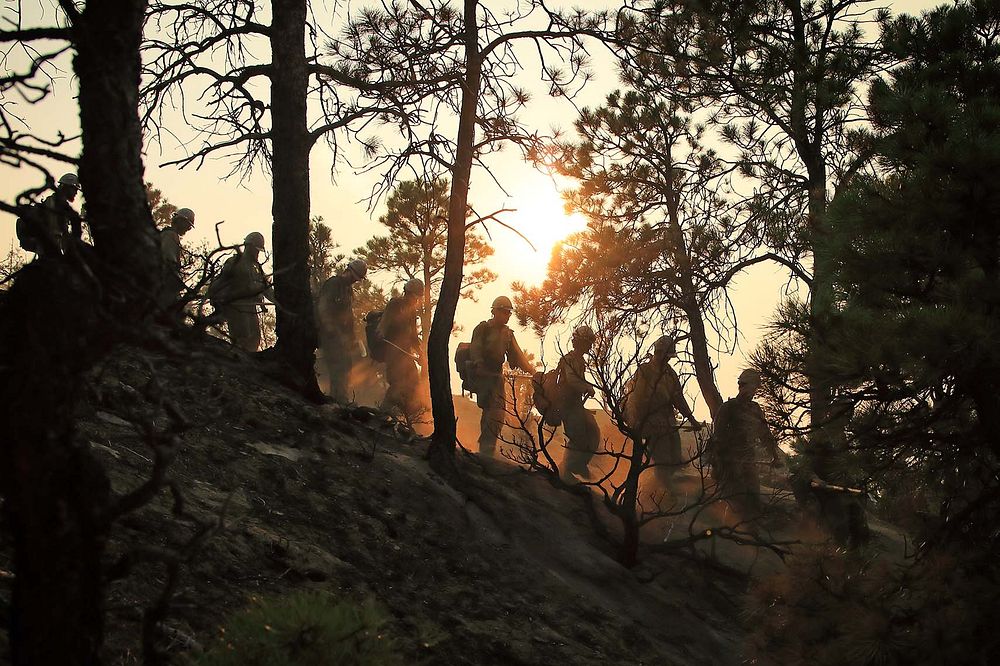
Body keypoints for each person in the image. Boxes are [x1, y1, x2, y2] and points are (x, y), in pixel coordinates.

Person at [624, 335, 703, 487]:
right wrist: (638, 422)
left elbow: (678, 398)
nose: (667, 360)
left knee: (675, 458)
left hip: (667, 422)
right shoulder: (644, 371)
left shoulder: (670, 374)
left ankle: (660, 487)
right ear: (658, 353)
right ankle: (658, 490)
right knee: (662, 460)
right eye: (666, 356)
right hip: (650, 422)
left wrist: (692, 419)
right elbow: (637, 398)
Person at [709, 368, 782, 514]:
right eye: (753, 387)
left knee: (753, 501)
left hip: (749, 461)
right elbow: (717, 437)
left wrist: (774, 455)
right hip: (730, 463)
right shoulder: (728, 408)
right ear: (743, 385)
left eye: (756, 388)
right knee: (735, 501)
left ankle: (750, 531)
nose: (754, 391)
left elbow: (765, 434)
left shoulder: (755, 409)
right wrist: (720, 463)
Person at [469, 295, 535, 455]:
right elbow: (475, 347)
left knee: (498, 412)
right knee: (491, 410)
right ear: (495, 311)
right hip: (483, 374)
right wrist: (478, 363)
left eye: (508, 313)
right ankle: (485, 448)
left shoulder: (508, 334)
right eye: (504, 312)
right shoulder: (483, 328)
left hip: (497, 376)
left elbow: (517, 356)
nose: (507, 316)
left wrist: (533, 372)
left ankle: (488, 447)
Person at [209, 231, 275, 352]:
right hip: (237, 309)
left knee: (254, 339)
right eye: (256, 250)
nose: (257, 254)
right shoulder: (234, 263)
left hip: (250, 308)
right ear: (248, 247)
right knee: (242, 340)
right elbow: (220, 282)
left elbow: (265, 288)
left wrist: (279, 301)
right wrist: (218, 300)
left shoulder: (255, 267)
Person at [317, 259, 367, 402]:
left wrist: (352, 337)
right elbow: (323, 307)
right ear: (348, 271)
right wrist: (330, 328)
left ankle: (340, 397)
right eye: (354, 278)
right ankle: (338, 399)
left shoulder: (347, 290)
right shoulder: (334, 284)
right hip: (330, 334)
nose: (354, 281)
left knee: (346, 364)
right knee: (338, 365)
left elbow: (348, 316)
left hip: (342, 336)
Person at [558, 325, 601, 479]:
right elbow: (571, 380)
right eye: (588, 342)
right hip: (567, 405)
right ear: (580, 342)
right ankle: (566, 470)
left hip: (575, 405)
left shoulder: (579, 360)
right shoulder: (569, 359)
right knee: (578, 438)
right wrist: (586, 387)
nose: (590, 346)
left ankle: (578, 466)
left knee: (593, 433)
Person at [377, 278, 424, 416]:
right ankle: (383, 415)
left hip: (405, 354)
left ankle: (410, 418)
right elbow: (384, 324)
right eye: (415, 296)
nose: (416, 300)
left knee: (414, 384)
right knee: (397, 384)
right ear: (408, 293)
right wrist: (381, 333)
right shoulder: (395, 304)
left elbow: (414, 336)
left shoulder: (412, 311)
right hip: (393, 352)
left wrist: (420, 353)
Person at [35, 173, 84, 257]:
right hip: (48, 247)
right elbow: (54, 229)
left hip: (53, 246)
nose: (76, 192)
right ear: (66, 188)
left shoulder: (63, 205)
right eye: (74, 189)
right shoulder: (52, 202)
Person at [158, 207, 195, 308]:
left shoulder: (167, 234)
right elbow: (169, 263)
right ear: (180, 221)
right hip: (163, 287)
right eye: (188, 225)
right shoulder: (171, 235)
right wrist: (180, 285)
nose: (188, 229)